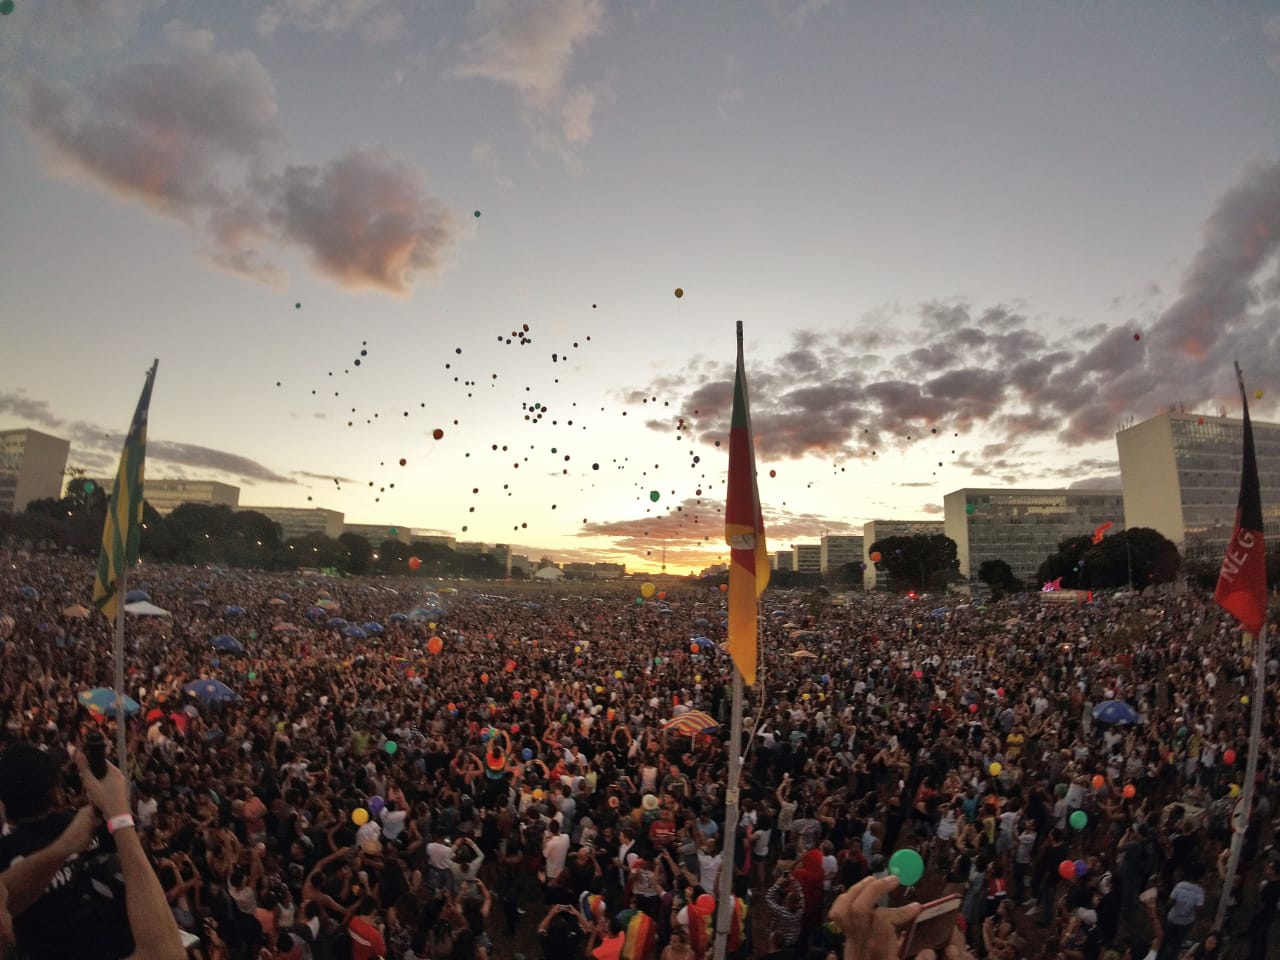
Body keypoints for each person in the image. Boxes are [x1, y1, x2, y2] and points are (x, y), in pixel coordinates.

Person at [0, 749, 186, 960]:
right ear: (55, 791)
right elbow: (166, 953)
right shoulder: (88, 824)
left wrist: (65, 847)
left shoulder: (7, 853)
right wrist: (118, 815)